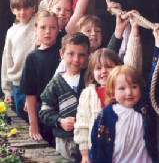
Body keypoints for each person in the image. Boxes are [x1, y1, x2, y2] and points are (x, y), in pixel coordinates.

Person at [89, 24, 159, 163]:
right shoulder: (105, 115)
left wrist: (158, 44)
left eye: (134, 86)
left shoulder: (145, 106)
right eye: (122, 88)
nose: (129, 92)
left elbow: (156, 76)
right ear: (112, 90)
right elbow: (96, 148)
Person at [74, 13, 142, 163]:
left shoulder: (124, 90)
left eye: (109, 67)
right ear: (92, 72)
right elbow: (82, 125)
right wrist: (85, 156)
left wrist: (134, 30)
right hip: (99, 151)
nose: (104, 71)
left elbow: (133, 61)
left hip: (124, 149)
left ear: (118, 68)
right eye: (98, 68)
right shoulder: (88, 94)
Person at [39, 32, 90, 163]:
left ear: (88, 56)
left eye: (81, 55)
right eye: (71, 54)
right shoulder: (56, 83)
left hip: (88, 137)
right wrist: (60, 121)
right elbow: (44, 111)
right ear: (62, 54)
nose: (76, 59)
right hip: (64, 139)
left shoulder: (90, 78)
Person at [19, 10, 60, 142]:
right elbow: (30, 94)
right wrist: (34, 126)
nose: (48, 31)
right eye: (43, 27)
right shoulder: (32, 58)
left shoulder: (63, 53)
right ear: (36, 29)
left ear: (58, 30)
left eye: (52, 27)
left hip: (63, 112)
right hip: (42, 114)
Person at [1, 0, 36, 119]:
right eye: (18, 8)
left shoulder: (37, 23)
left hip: (35, 82)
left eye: (26, 7)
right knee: (22, 117)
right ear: (12, 10)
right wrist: (7, 91)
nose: (22, 12)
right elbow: (7, 60)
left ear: (33, 8)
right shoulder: (11, 32)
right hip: (18, 83)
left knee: (37, 118)